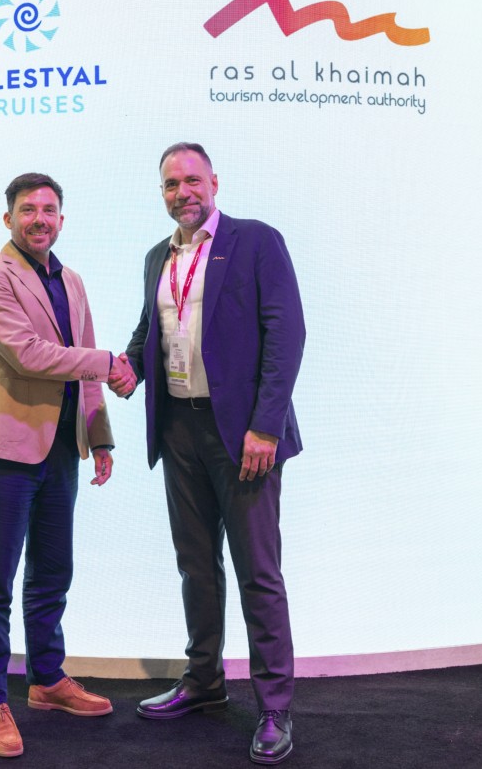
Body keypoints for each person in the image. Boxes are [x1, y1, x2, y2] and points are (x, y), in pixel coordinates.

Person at [118, 143, 304, 765]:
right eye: (171, 184)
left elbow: (287, 333)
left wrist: (266, 428)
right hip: (179, 430)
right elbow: (150, 331)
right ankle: (204, 682)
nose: (183, 192)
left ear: (214, 182)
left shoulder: (255, 241)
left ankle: (274, 706)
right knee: (196, 567)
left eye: (192, 180)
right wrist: (128, 367)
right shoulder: (157, 257)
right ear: (162, 193)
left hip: (243, 436)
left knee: (258, 572)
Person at [0, 172, 133, 757]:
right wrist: (108, 360)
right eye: (28, 209)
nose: (39, 218)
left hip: (62, 449)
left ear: (61, 218)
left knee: (52, 572)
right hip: (5, 449)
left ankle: (46, 680)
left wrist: (100, 436)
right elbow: (28, 355)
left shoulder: (73, 281)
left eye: (49, 209)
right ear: (8, 218)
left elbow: (84, 371)